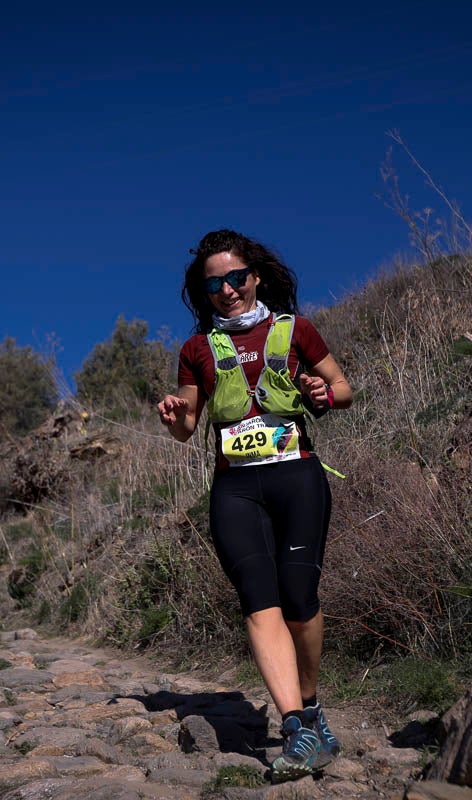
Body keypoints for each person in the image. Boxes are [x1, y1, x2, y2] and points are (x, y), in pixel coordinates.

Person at [156, 229, 352, 782]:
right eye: (213, 282)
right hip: (234, 488)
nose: (226, 290)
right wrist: (176, 418)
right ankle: (297, 728)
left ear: (255, 276)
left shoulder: (295, 330)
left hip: (297, 477)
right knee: (258, 601)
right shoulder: (197, 349)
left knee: (299, 597)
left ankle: (309, 703)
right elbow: (188, 424)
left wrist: (322, 393)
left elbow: (341, 388)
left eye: (235, 278)